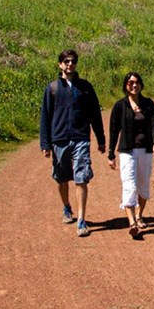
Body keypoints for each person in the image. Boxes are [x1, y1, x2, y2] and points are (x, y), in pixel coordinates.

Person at [40, 49, 106, 237]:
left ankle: (81, 219)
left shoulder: (85, 87)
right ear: (60, 64)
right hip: (59, 139)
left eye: (73, 61)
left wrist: (100, 139)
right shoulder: (52, 88)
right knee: (62, 178)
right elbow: (45, 117)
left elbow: (95, 114)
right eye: (66, 61)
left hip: (80, 138)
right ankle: (66, 207)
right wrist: (45, 143)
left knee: (81, 177)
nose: (70, 64)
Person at [107, 71, 154, 238]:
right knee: (129, 185)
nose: (134, 85)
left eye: (137, 82)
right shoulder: (120, 106)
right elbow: (114, 130)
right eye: (130, 83)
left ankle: (139, 215)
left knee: (143, 185)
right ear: (126, 86)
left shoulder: (149, 104)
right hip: (127, 151)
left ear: (141, 85)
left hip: (145, 150)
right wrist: (111, 153)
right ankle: (132, 223)